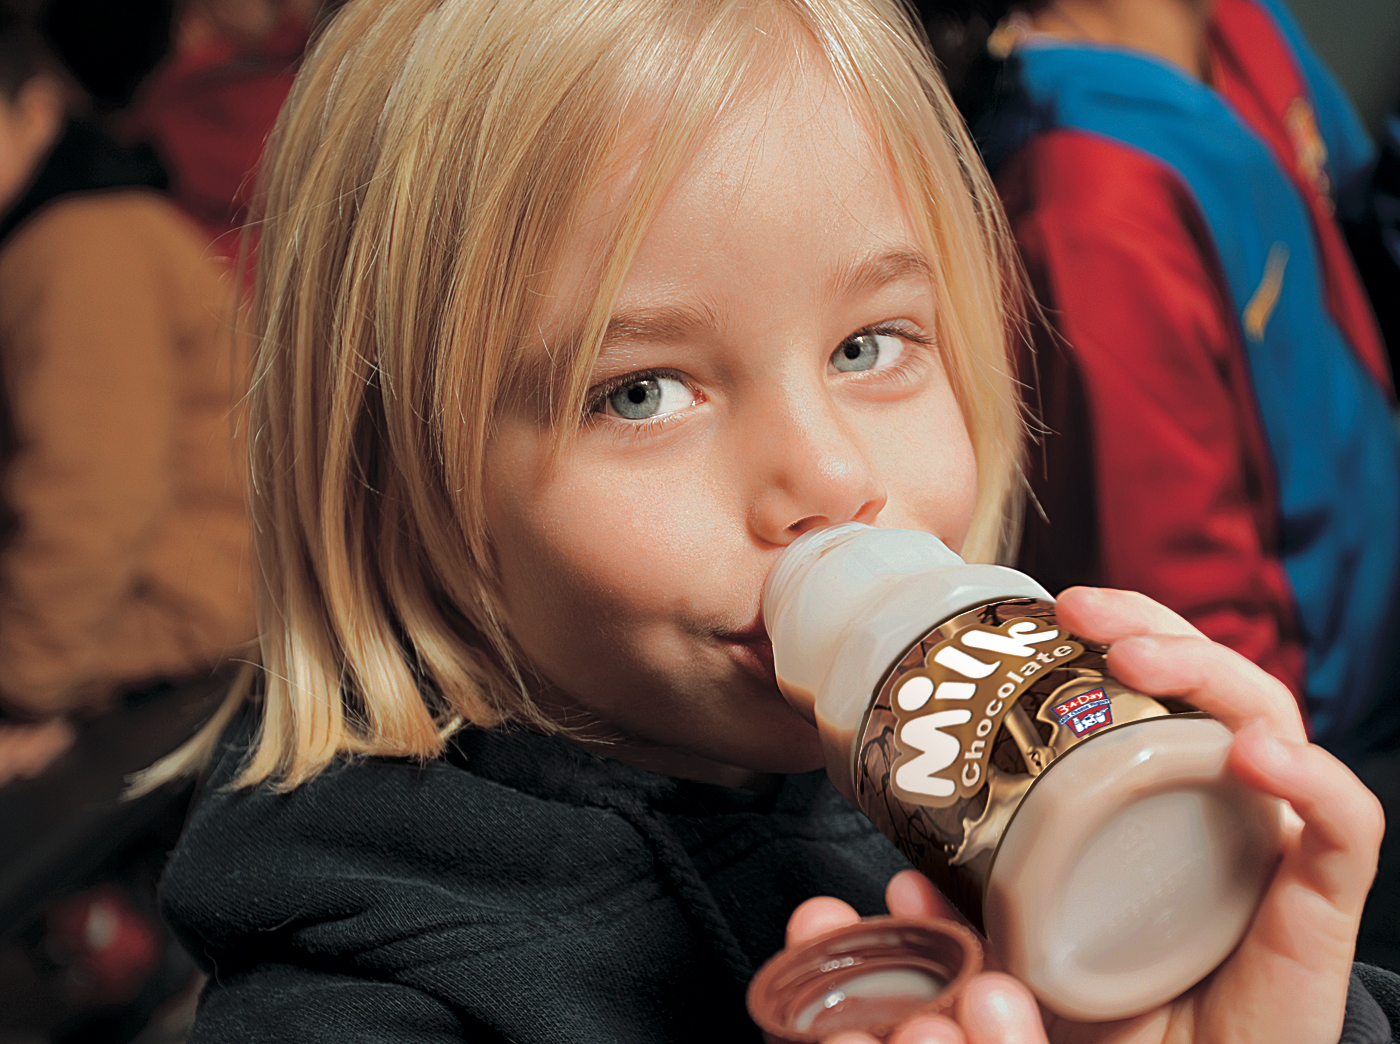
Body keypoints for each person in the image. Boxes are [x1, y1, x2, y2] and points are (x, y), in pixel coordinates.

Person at [143, 0, 1398, 1040]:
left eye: (869, 343)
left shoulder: (936, 778)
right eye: (638, 392)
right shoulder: (355, 1000)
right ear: (393, 481)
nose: (828, 475)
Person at [958, 0, 1400, 766]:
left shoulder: (1238, 22)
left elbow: (1349, 203)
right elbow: (1193, 626)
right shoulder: (1091, 209)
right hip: (1321, 731)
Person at [0, 6, 254, 782]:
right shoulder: (75, 230)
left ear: (38, 110)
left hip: (178, 630)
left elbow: (88, 503)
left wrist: (18, 694)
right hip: (170, 618)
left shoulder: (80, 247)